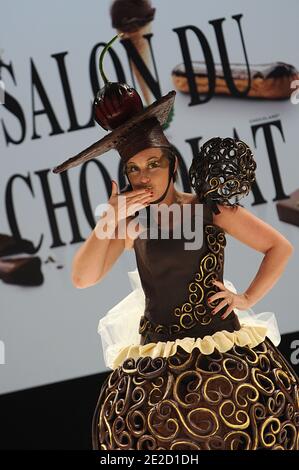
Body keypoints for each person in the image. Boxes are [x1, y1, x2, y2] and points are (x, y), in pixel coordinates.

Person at [56, 90, 299, 450]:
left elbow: (279, 246)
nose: (143, 177)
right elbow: (82, 277)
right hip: (160, 370)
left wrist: (246, 297)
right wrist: (107, 219)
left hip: (224, 357)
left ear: (172, 165)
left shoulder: (208, 208)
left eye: (153, 164)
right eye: (134, 169)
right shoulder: (132, 223)